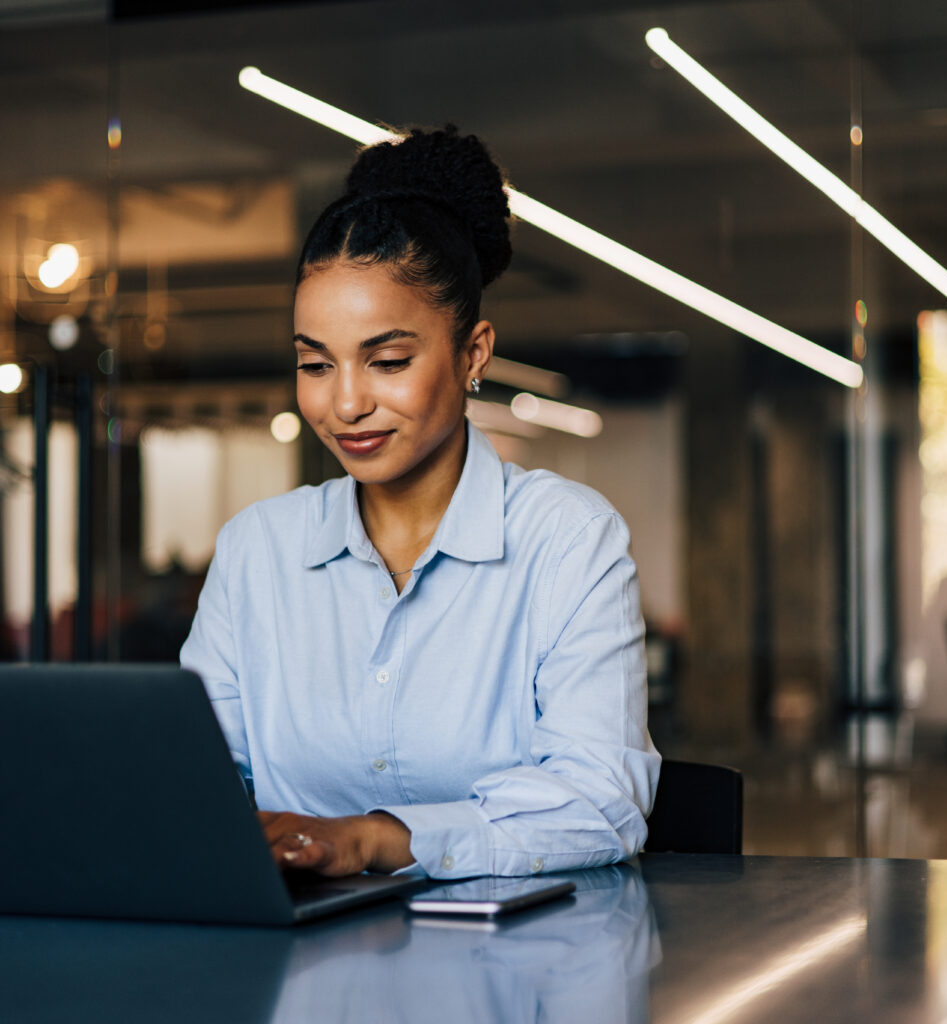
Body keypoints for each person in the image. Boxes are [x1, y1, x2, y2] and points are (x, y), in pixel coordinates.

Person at [180, 125, 660, 880]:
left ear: (474, 354)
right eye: (314, 363)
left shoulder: (567, 541)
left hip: (510, 976)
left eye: (389, 361)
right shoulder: (257, 551)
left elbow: (599, 799)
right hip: (300, 971)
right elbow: (191, 785)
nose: (345, 403)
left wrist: (372, 839)